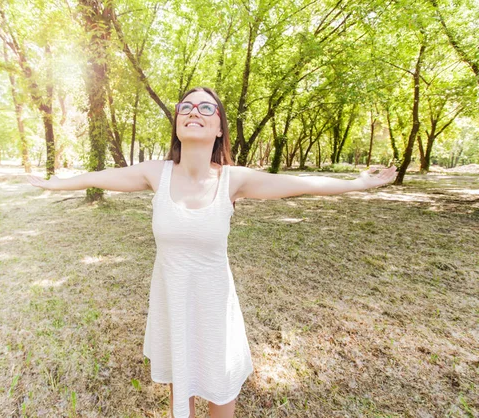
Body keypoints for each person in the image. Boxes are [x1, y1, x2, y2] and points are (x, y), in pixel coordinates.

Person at [27, 86, 397, 418]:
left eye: (206, 108)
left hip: (216, 308)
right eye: (186, 107)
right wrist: (53, 184)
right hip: (173, 303)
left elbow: (301, 184)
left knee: (220, 392)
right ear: (176, 124)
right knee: (180, 393)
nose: (193, 112)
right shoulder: (156, 174)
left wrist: (359, 183)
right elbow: (97, 176)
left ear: (219, 128)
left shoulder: (233, 180)